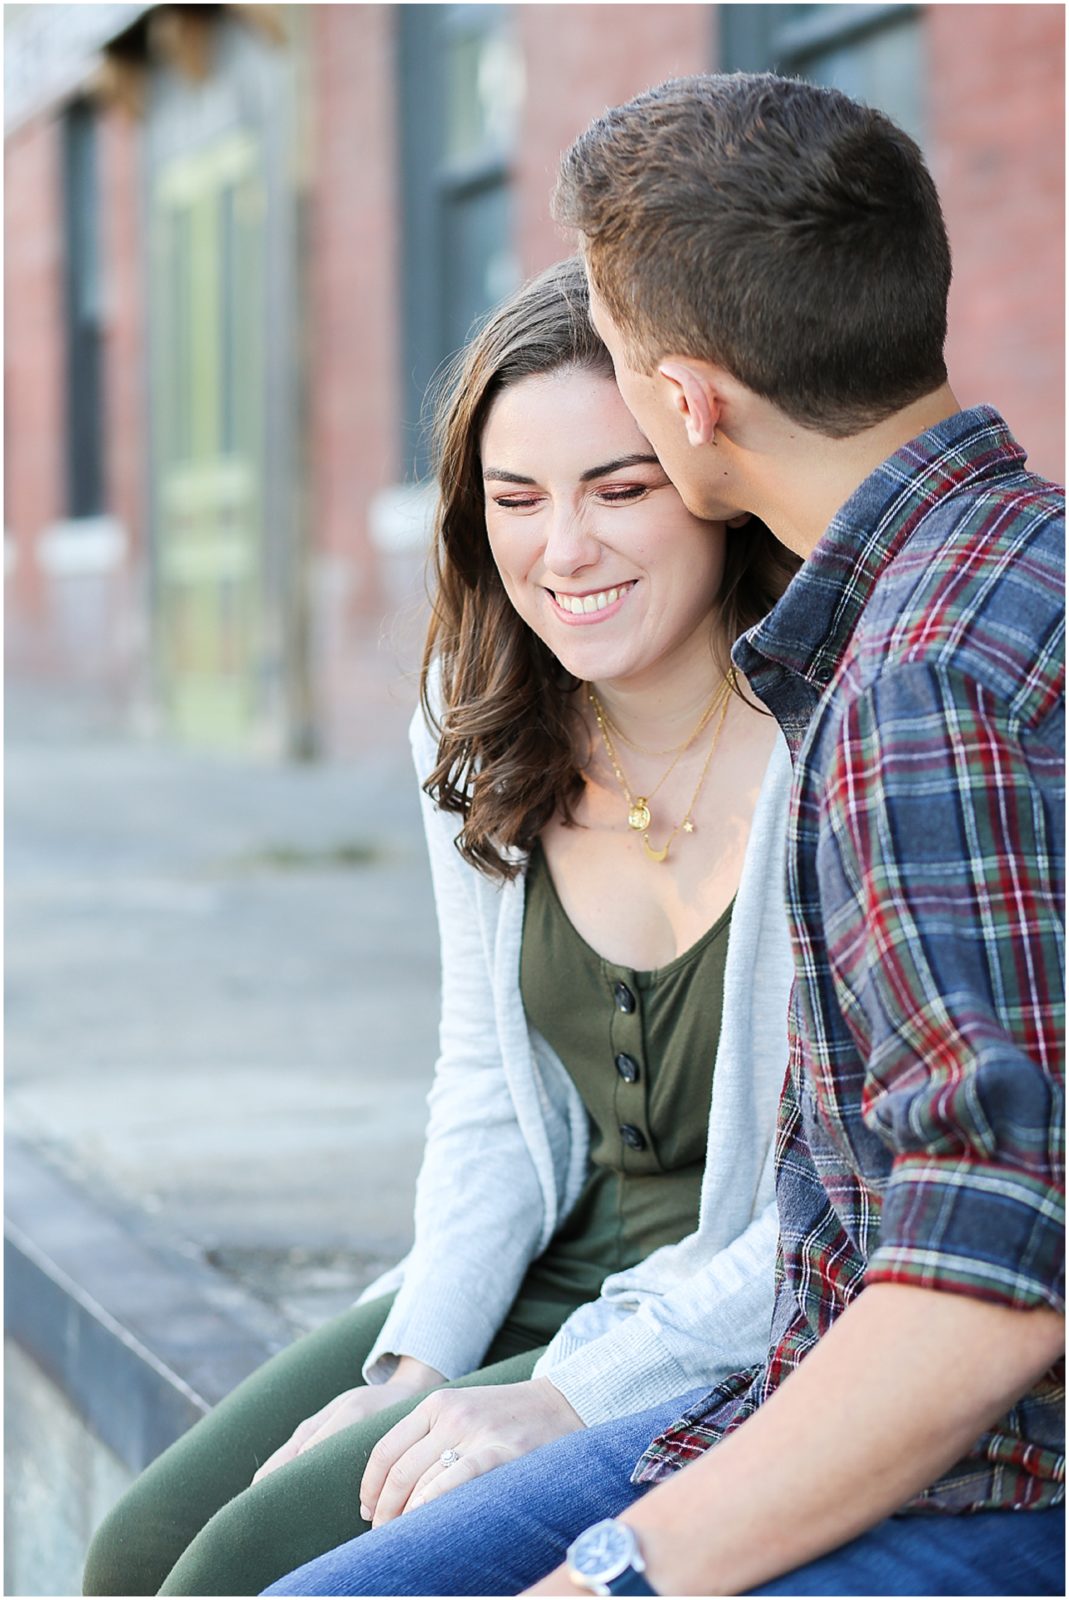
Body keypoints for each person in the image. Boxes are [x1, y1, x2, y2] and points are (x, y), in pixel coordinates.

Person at [266, 72, 1064, 1600]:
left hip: (980, 1476)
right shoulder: (1000, 574)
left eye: (624, 393)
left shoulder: (917, 685)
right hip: (816, 1394)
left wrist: (623, 1572)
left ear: (687, 406)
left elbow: (990, 1268)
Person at [83, 255, 800, 1597]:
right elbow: (484, 1087)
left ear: (709, 491)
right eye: (514, 500)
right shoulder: (475, 723)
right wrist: (411, 1369)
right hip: (542, 1263)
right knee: (137, 1553)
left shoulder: (836, 747)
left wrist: (575, 1388)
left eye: (619, 488)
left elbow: (840, 1206)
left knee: (238, 1569)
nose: (562, 549)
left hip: (735, 1296)